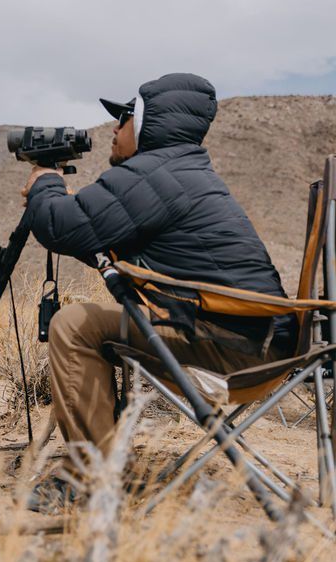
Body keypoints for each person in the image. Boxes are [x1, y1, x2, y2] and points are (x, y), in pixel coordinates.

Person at [21, 72, 298, 509]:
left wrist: (45, 184)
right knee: (92, 322)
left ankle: (90, 478)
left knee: (74, 325)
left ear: (149, 123)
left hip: (236, 353)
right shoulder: (183, 172)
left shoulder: (156, 174)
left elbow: (62, 227)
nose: (115, 129)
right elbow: (97, 239)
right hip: (259, 345)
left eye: (125, 118)